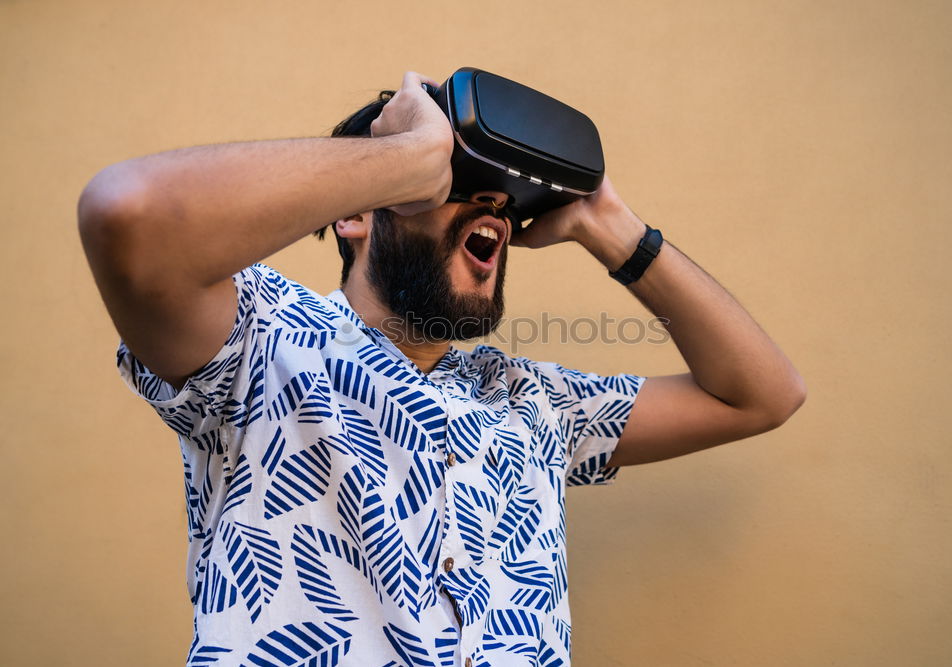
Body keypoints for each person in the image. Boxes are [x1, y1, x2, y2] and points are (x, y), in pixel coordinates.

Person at [78, 71, 806, 667]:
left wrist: (608, 225)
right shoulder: (260, 339)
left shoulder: (534, 403)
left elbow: (762, 396)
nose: (491, 202)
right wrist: (412, 158)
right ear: (355, 213)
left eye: (501, 199)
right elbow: (127, 214)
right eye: (458, 180)